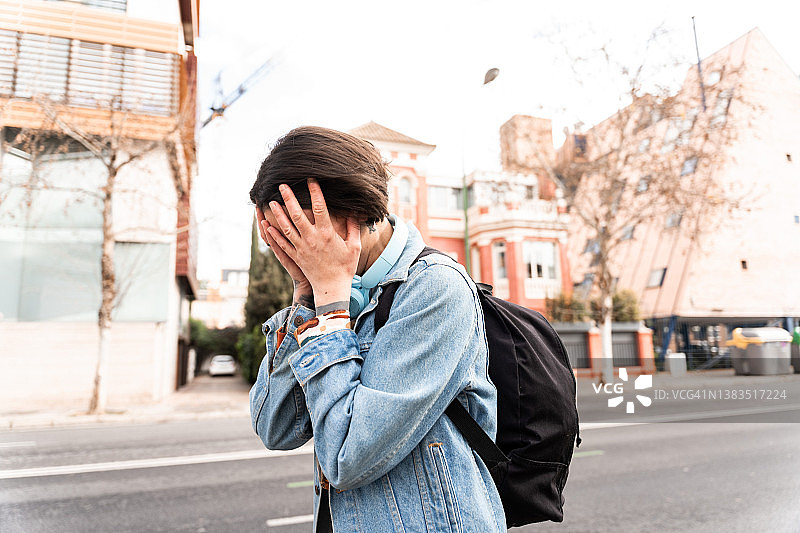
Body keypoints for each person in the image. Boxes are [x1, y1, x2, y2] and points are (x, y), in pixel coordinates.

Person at [248, 126, 505, 532]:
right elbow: (275, 427)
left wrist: (330, 307)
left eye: (295, 228)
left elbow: (348, 455)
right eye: (277, 233)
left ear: (350, 216)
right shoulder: (336, 286)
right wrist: (304, 297)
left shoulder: (434, 288)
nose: (286, 245)